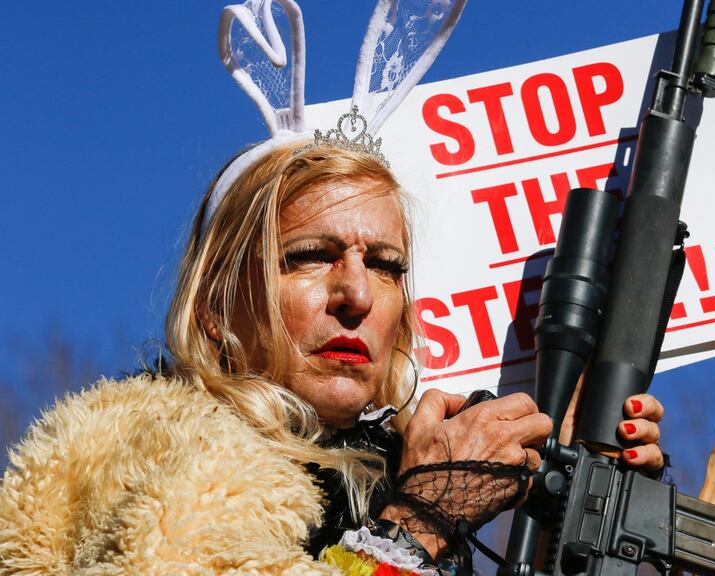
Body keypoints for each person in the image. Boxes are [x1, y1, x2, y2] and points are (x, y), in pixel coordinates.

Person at [0, 139, 666, 574]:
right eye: (310, 257)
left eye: (385, 265)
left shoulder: (393, 471)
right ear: (217, 305)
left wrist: (581, 517)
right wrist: (419, 523)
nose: (354, 293)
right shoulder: (158, 453)